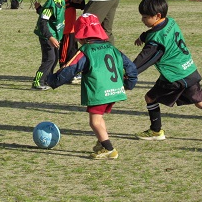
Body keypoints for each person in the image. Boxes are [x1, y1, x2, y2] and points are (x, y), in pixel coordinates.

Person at [133, 0, 202, 142]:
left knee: (150, 98)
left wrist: (129, 72)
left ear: (157, 15)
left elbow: (145, 59)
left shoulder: (157, 41)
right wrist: (143, 37)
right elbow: (157, 30)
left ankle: (156, 131)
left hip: (174, 76)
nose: (142, 20)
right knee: (200, 103)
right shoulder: (170, 22)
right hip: (188, 70)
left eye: (145, 17)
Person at [47, 13, 137, 159]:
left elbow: (70, 70)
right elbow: (131, 67)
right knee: (99, 118)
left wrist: (52, 80)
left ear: (82, 35)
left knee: (94, 121)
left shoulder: (85, 52)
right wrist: (129, 83)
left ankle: (109, 149)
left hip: (99, 92)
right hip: (114, 91)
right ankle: (102, 143)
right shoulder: (112, 48)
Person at [32, 0, 71, 90]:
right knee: (49, 59)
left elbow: (48, 16)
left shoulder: (61, 0)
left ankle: (47, 79)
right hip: (47, 36)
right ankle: (38, 82)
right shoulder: (51, 5)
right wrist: (50, 37)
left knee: (54, 58)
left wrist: (39, 9)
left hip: (54, 35)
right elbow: (43, 23)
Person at [34, 0, 85, 83]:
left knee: (68, 54)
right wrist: (39, 9)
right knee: (59, 57)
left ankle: (70, 74)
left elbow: (82, 5)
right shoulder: (52, 1)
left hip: (69, 31)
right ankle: (58, 75)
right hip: (61, 32)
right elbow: (48, 17)